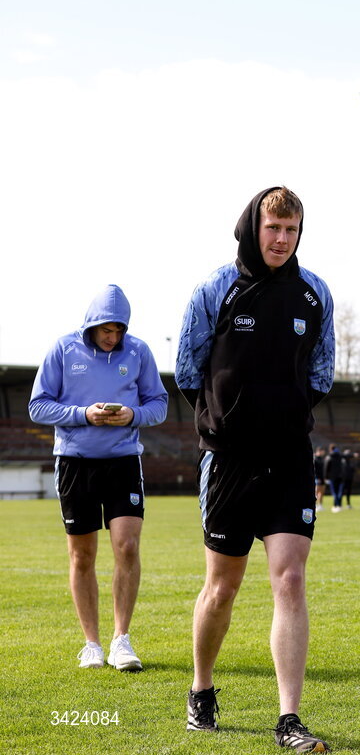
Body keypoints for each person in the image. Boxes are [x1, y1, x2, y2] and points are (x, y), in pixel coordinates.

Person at [175, 186, 334, 752]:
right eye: (273, 228)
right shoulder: (217, 288)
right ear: (253, 227)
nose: (282, 239)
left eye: (291, 230)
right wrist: (226, 420)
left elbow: (322, 372)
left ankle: (289, 718)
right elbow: (188, 367)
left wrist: (281, 417)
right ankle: (201, 689)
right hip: (229, 459)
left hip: (289, 455)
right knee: (223, 586)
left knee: (290, 580)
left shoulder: (315, 294)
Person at [29, 285, 168, 671]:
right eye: (107, 330)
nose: (114, 337)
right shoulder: (62, 349)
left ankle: (122, 639)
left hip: (123, 461)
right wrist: (83, 414)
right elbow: (38, 405)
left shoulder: (138, 352)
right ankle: (91, 644)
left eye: (119, 330)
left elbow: (158, 403)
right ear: (91, 325)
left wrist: (133, 415)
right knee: (82, 554)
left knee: (126, 546)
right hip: (75, 464)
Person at [313, 446, 327, 513]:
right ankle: (315, 506)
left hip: (322, 478)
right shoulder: (315, 459)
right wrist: (317, 477)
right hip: (317, 478)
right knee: (316, 492)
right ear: (319, 451)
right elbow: (314, 470)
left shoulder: (322, 459)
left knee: (321, 492)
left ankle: (320, 505)